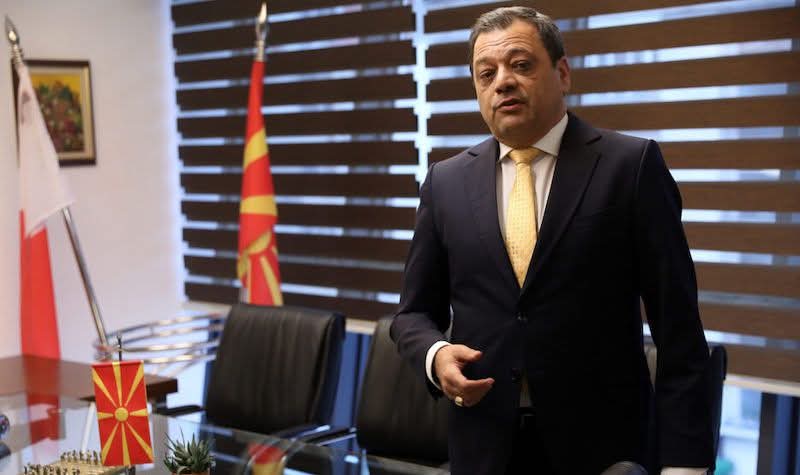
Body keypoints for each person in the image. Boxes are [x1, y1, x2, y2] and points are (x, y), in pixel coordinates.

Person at [391, 6, 714, 475]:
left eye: (520, 65)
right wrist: (435, 354)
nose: (503, 82)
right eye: (486, 73)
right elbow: (413, 313)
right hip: (483, 448)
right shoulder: (445, 183)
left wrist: (685, 466)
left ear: (562, 74)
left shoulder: (630, 167)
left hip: (603, 451)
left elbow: (678, 327)